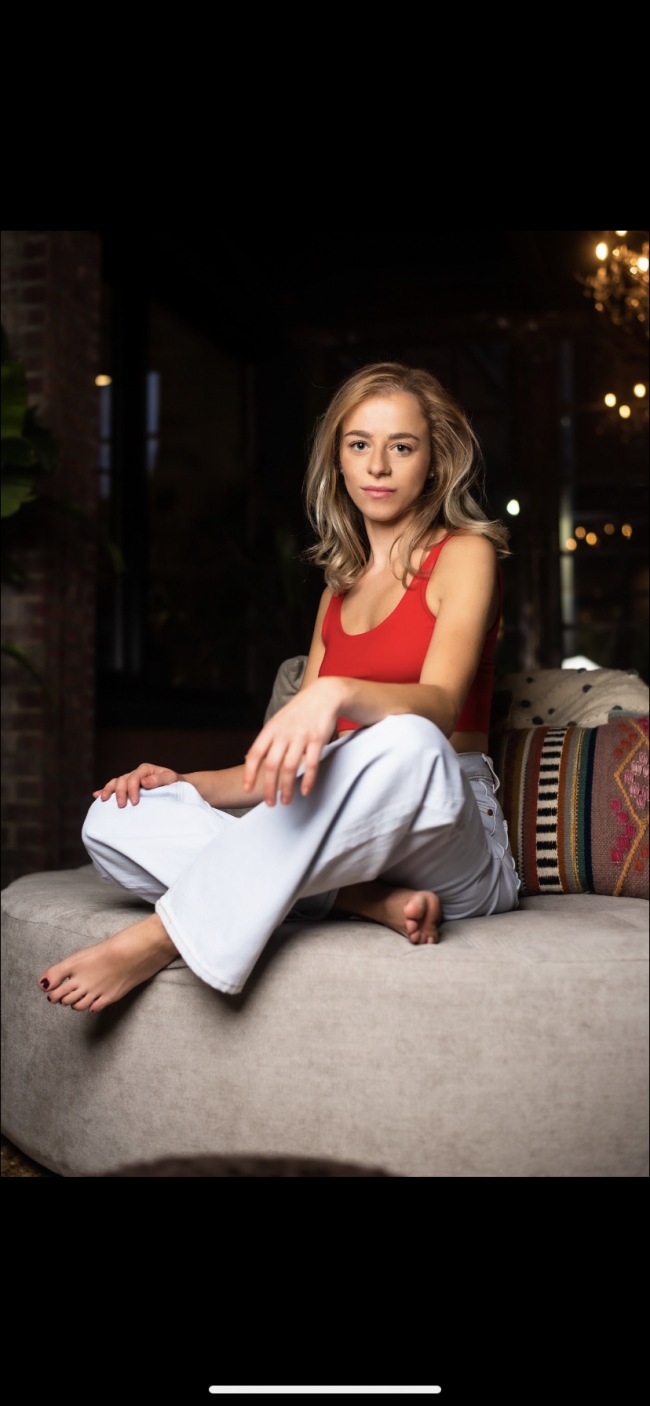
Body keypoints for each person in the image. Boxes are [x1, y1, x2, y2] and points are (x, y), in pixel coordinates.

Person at [38, 361, 521, 1013]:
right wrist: (183, 782)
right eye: (360, 444)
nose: (378, 465)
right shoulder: (336, 593)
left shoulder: (466, 553)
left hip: (445, 823)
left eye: (402, 446)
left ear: (433, 462)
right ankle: (356, 898)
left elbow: (438, 708)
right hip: (342, 830)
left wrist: (336, 692)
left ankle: (162, 937)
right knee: (112, 819)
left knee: (407, 740)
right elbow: (282, 769)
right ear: (339, 461)